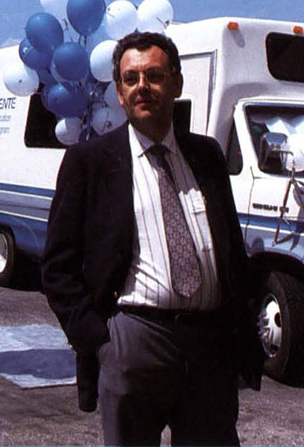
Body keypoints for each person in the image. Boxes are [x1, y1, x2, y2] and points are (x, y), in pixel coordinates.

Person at [41, 32, 264, 446]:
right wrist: (101, 341)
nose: (142, 86)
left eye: (154, 75)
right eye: (130, 79)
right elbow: (57, 267)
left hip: (210, 346)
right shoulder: (89, 162)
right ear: (121, 95)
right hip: (134, 342)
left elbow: (230, 247)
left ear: (176, 85)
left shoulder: (207, 156)